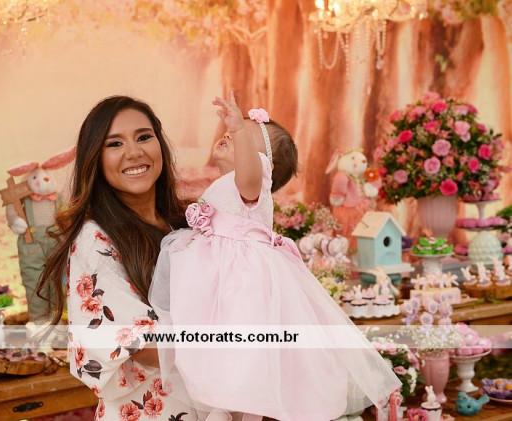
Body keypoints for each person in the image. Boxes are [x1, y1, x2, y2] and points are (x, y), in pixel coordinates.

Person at [150, 93, 402, 421]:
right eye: (230, 132)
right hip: (219, 279)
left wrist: (239, 128)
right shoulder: (225, 185)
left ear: (264, 166)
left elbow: (249, 173)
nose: (229, 134)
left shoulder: (251, 184)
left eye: (244, 137)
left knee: (243, 357)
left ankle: (232, 410)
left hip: (239, 284)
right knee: (222, 355)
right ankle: (223, 405)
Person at [36, 96, 202, 420]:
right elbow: (141, 344)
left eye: (144, 137)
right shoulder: (94, 239)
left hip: (205, 404)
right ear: (95, 160)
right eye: (115, 143)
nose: (134, 152)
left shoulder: (185, 224)